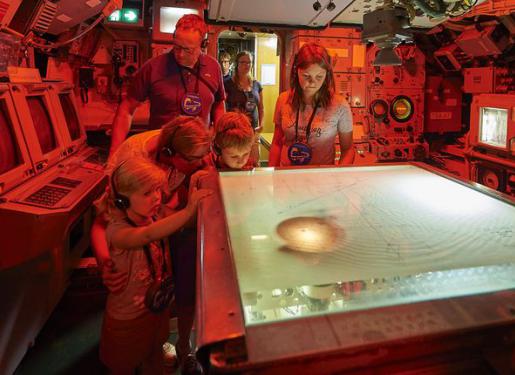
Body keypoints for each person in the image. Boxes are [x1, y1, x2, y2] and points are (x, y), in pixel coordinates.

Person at [92, 116, 213, 375]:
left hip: (153, 303)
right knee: (124, 360)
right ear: (169, 153)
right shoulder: (131, 168)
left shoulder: (156, 204)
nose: (202, 163)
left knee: (154, 348)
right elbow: (110, 225)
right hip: (127, 313)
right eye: (194, 159)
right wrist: (105, 263)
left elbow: (169, 215)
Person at [109, 14, 225, 155]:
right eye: (176, 47)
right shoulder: (153, 68)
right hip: (161, 155)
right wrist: (115, 152)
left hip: (200, 155)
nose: (180, 54)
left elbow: (219, 104)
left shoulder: (214, 67)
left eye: (188, 50)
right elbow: (126, 109)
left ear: (203, 45)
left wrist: (219, 138)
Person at [269, 43, 354, 167]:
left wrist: (339, 175)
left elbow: (348, 149)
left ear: (327, 75)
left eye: (319, 76)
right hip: (286, 175)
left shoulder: (340, 105)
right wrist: (273, 174)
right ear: (296, 71)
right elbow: (277, 142)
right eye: (306, 76)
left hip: (321, 178)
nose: (312, 82)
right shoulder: (283, 99)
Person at [224, 51, 264, 131]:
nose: (247, 65)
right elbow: (222, 107)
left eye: (249, 62)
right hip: (234, 128)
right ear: (237, 64)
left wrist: (261, 124)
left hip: (252, 129)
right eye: (243, 62)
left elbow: (261, 107)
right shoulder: (227, 84)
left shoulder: (257, 84)